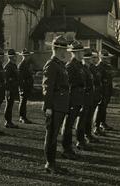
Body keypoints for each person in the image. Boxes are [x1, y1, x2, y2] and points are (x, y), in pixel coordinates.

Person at [42, 35, 70, 173]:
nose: (65, 51)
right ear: (57, 49)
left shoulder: (60, 64)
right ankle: (49, 164)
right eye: (63, 48)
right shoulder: (52, 64)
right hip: (54, 105)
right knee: (51, 135)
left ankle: (52, 162)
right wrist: (48, 107)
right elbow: (48, 87)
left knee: (54, 135)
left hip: (61, 104)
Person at [62, 40, 87, 158]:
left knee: (71, 124)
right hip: (72, 99)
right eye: (81, 51)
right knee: (68, 125)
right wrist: (69, 102)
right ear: (76, 53)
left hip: (79, 98)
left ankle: (70, 147)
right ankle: (66, 149)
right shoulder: (70, 66)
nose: (83, 53)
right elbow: (69, 86)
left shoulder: (79, 65)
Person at [76, 48, 97, 149]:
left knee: (87, 119)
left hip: (89, 98)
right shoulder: (83, 69)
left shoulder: (88, 69)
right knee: (82, 120)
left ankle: (86, 136)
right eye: (87, 59)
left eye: (90, 58)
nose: (89, 60)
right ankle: (80, 140)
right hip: (84, 98)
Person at [95, 49, 114, 132]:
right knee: (100, 108)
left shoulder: (108, 67)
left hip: (108, 90)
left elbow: (110, 79)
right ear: (101, 58)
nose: (107, 59)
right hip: (102, 91)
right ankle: (97, 125)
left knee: (104, 108)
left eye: (107, 58)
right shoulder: (99, 67)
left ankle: (103, 123)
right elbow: (98, 81)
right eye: (105, 58)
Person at [86, 49, 102, 140]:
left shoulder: (93, 67)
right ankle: (87, 134)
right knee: (87, 116)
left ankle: (89, 133)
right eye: (93, 57)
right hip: (90, 95)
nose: (94, 59)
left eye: (96, 57)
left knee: (90, 116)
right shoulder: (89, 68)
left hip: (95, 94)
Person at [17, 48, 34, 124]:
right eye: (25, 56)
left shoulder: (27, 64)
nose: (27, 57)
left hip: (27, 85)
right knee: (22, 102)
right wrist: (22, 88)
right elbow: (20, 78)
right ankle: (21, 117)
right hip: (23, 86)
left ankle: (24, 116)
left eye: (27, 55)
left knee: (24, 102)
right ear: (22, 56)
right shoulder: (21, 65)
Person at [3, 49, 19, 128]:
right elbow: (6, 79)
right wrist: (7, 90)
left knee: (10, 105)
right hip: (9, 89)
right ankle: (7, 121)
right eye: (14, 56)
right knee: (8, 105)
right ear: (11, 57)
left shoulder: (14, 65)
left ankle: (9, 121)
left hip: (13, 88)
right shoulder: (8, 66)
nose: (16, 57)